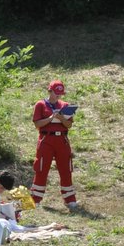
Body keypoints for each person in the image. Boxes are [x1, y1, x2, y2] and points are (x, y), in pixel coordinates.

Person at [32, 80, 81, 211]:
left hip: (62, 140)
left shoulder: (65, 105)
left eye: (60, 93)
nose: (58, 96)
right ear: (50, 91)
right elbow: (37, 124)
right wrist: (50, 118)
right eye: (56, 93)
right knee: (41, 168)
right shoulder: (41, 105)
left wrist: (61, 118)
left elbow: (69, 125)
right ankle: (35, 199)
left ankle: (70, 199)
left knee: (66, 169)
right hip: (46, 139)